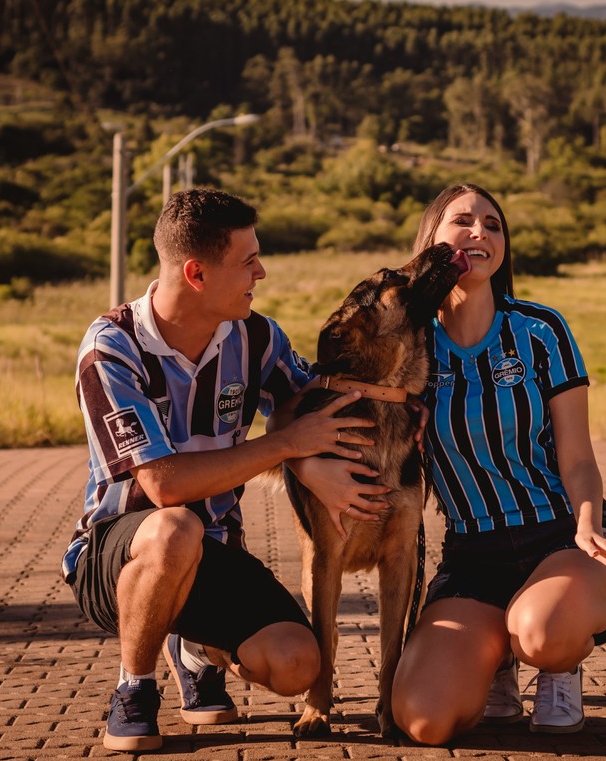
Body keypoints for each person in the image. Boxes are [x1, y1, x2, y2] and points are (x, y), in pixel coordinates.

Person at [62, 188, 390, 752]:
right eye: (247, 261)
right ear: (196, 272)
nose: (260, 273)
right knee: (174, 526)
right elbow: (164, 485)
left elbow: (306, 401)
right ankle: (134, 689)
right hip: (116, 555)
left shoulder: (255, 335)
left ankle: (195, 647)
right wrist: (286, 446)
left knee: (297, 666)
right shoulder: (111, 349)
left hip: (214, 551)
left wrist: (319, 455)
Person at [391, 183, 606, 745]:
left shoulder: (539, 330)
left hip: (559, 536)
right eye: (462, 221)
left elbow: (578, 457)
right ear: (431, 239)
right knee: (425, 721)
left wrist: (588, 526)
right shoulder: (408, 346)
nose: (479, 232)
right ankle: (493, 658)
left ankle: (558, 667)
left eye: (493, 224)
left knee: (543, 634)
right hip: (472, 552)